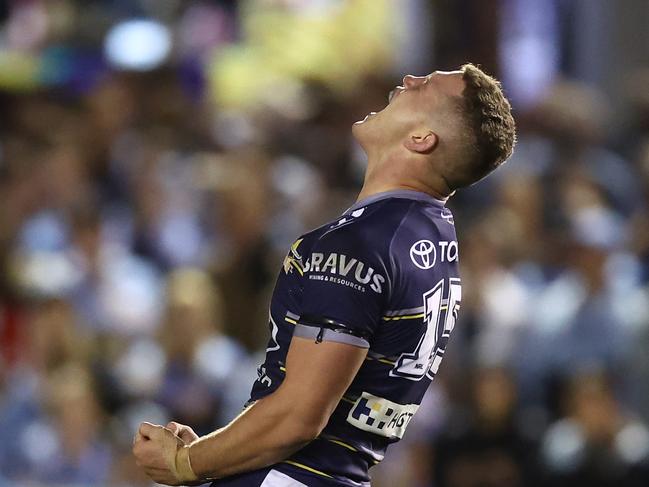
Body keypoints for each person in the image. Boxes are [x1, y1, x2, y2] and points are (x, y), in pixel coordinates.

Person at [132, 63, 516, 487]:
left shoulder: (361, 243)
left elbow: (300, 416)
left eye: (425, 87)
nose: (408, 80)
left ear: (421, 139)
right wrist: (217, 449)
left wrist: (186, 462)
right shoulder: (432, 239)